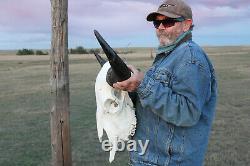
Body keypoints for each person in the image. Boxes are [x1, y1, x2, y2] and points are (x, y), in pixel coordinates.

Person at [113, 0, 217, 165]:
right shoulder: (170, 55)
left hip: (168, 161)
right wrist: (130, 84)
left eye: (168, 22)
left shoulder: (190, 57)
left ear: (186, 25)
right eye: (157, 23)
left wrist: (143, 84)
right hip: (150, 157)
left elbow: (188, 113)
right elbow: (154, 102)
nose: (160, 27)